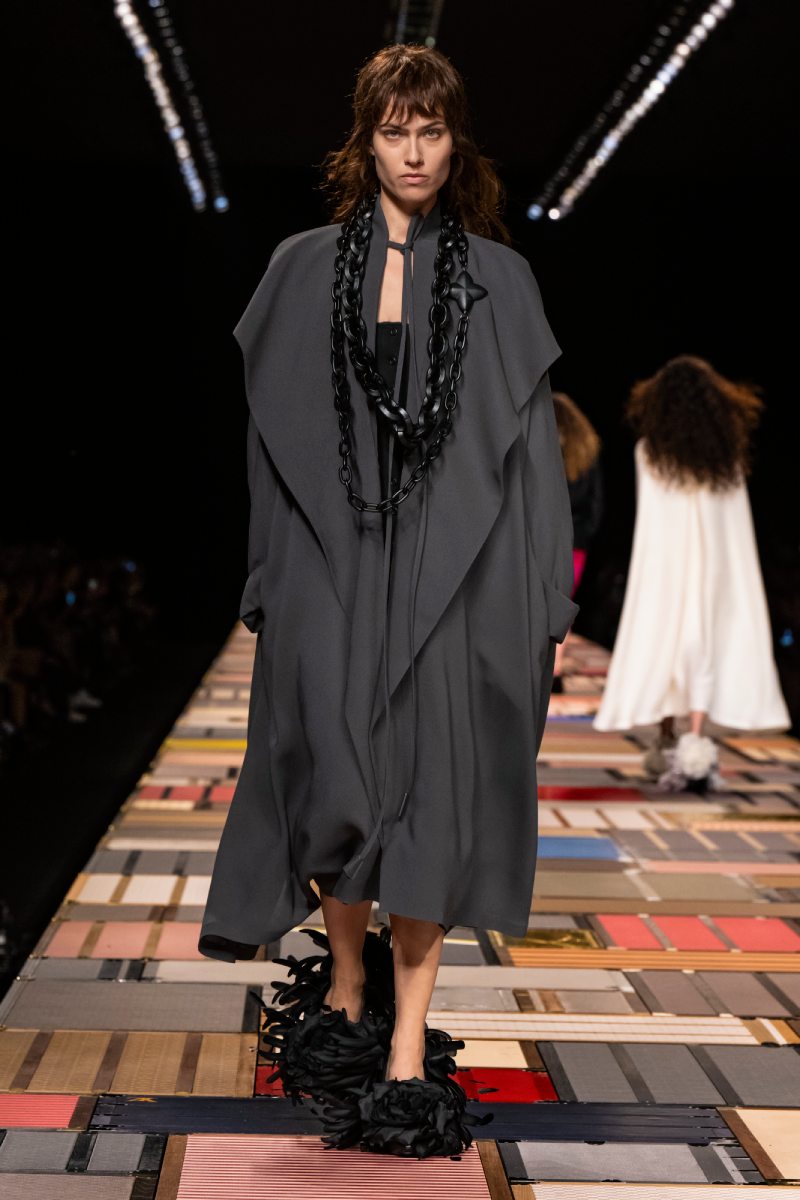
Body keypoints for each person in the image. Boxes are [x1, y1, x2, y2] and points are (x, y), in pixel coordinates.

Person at [198, 43, 578, 1156]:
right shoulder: (302, 268)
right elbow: (269, 449)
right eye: (393, 131)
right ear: (363, 141)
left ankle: (406, 1046)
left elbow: (531, 461)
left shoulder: (499, 280)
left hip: (458, 574)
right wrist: (267, 576)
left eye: (431, 131)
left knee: (433, 796)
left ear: (456, 144)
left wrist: (546, 606)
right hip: (334, 559)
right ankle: (346, 983)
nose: (413, 152)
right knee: (334, 779)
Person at [593, 355, 790, 791]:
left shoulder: (649, 453)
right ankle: (696, 743)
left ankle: (666, 738)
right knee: (702, 650)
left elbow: (654, 518)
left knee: (664, 645)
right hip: (716, 569)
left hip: (664, 567)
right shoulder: (726, 458)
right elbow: (731, 523)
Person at [550, 392, 603, 692]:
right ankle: (556, 669)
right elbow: (596, 503)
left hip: (545, 539)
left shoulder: (541, 451)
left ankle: (541, 667)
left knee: (539, 602)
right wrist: (584, 535)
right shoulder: (584, 453)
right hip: (576, 543)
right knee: (563, 604)